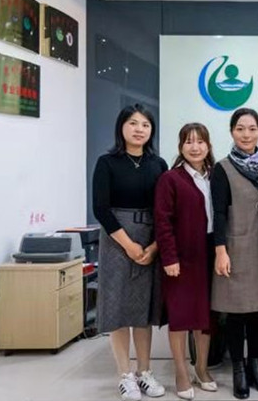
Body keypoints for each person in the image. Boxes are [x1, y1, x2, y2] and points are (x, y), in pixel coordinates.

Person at [93, 104, 167, 401]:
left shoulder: (158, 164)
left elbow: (165, 209)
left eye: (145, 124)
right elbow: (101, 209)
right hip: (117, 240)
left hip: (151, 239)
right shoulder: (107, 162)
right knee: (118, 308)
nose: (139, 129)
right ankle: (125, 375)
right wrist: (130, 245)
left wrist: (154, 246)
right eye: (133, 123)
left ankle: (145, 372)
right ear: (121, 127)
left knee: (142, 310)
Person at [210, 108, 258, 399]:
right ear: (232, 132)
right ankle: (238, 370)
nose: (246, 134)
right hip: (235, 249)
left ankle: (255, 368)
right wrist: (220, 251)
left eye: (252, 129)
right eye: (240, 128)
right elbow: (218, 213)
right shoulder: (222, 169)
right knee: (236, 313)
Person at [154, 123, 218, 400]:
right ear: (181, 147)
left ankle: (201, 368)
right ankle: (181, 372)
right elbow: (162, 222)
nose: (195, 147)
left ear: (208, 145)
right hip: (181, 256)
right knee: (180, 316)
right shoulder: (171, 178)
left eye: (200, 141)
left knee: (205, 317)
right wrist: (169, 257)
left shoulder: (215, 176)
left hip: (210, 253)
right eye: (189, 142)